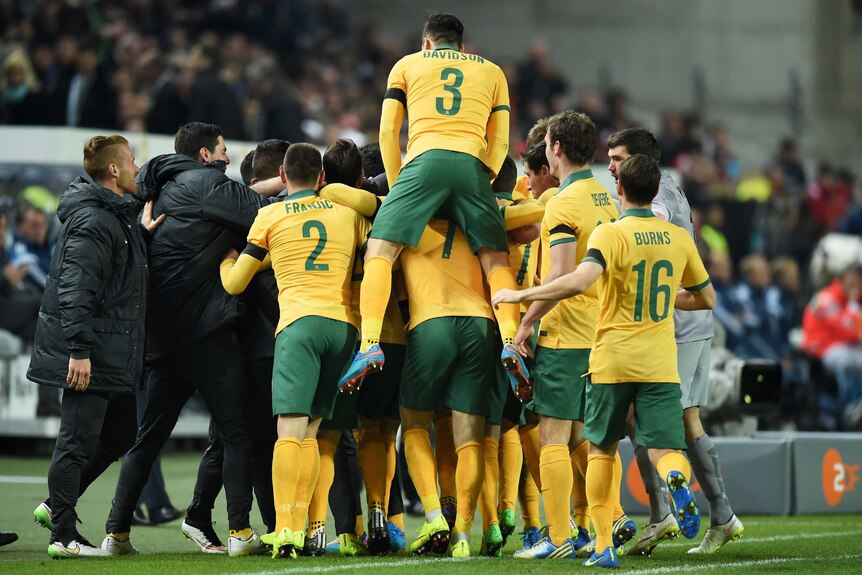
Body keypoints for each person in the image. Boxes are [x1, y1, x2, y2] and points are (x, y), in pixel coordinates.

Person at [493, 153, 716, 568]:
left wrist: (521, 297)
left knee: (599, 450)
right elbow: (706, 298)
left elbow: (577, 280)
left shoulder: (611, 235)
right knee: (663, 448)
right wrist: (669, 300)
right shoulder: (680, 239)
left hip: (612, 358)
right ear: (655, 192)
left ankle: (602, 546)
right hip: (661, 363)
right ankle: (676, 478)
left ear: (621, 190)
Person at [101, 122, 282, 557]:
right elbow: (259, 206)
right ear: (204, 155)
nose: (226, 158)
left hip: (163, 336)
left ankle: (116, 533)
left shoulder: (157, 190)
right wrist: (307, 177)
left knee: (150, 436)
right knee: (236, 432)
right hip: (203, 332)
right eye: (222, 150)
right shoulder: (206, 184)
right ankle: (240, 532)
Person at [339, 12, 529, 396]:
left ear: (427, 42)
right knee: (495, 260)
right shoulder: (493, 72)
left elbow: (388, 132)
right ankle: (511, 340)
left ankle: (369, 343)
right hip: (473, 165)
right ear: (461, 45)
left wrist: (397, 187)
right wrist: (484, 179)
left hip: (424, 162)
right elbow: (503, 143)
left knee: (381, 250)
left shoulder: (407, 64)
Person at [218, 143, 368, 559]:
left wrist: (226, 261)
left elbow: (235, 284)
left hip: (299, 326)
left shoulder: (269, 215)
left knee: (289, 432)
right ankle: (307, 527)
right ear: (322, 178)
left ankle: (287, 528)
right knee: (314, 434)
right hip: (344, 329)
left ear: (283, 177)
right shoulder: (348, 214)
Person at [606, 127, 743, 556]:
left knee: (674, 419)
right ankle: (679, 513)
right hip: (691, 321)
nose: (611, 166)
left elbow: (652, 235)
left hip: (677, 326)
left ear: (640, 162)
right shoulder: (672, 187)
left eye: (618, 158)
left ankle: (714, 515)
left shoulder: (657, 202)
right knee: (657, 416)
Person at [27, 135, 164, 558]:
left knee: (121, 432)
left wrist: (139, 235)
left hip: (109, 348)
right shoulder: (93, 220)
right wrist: (79, 349)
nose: (138, 168)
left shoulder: (115, 217)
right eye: (132, 161)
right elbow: (75, 290)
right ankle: (62, 536)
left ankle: (56, 505)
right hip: (90, 350)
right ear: (113, 171)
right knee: (77, 439)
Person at [511, 111, 626, 561]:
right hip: (600, 332)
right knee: (594, 441)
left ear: (554, 147)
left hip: (565, 334)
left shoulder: (561, 202)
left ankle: (557, 535)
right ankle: (603, 527)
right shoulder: (604, 195)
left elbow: (561, 277)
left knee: (552, 438)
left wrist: (524, 318)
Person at [0, 210, 42, 343]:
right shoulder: (17, 247)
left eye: (4, 227)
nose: (2, 233)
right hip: (3, 310)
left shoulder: (3, 253)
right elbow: (7, 283)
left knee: (40, 327)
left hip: (9, 305)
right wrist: (6, 280)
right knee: (42, 303)